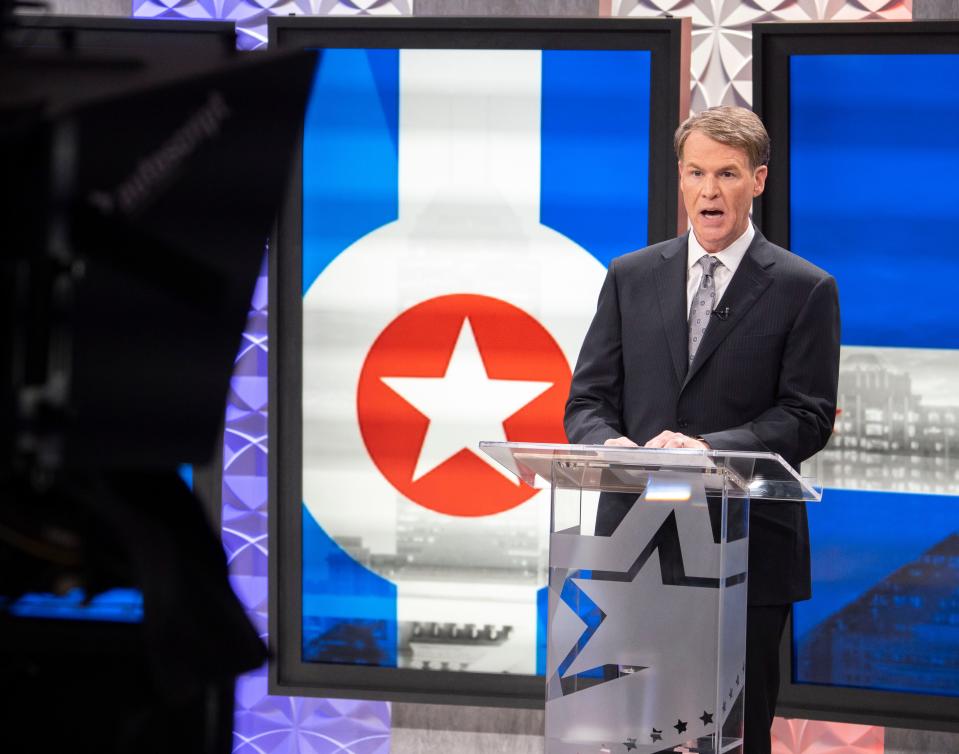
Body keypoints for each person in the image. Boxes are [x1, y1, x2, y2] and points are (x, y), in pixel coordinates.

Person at [564, 106, 840, 754]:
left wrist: (705, 451)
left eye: (726, 174)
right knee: (639, 734)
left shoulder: (804, 289)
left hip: (744, 553)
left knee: (733, 736)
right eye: (695, 173)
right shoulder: (630, 276)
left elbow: (805, 416)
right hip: (634, 545)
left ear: (758, 180)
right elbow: (587, 399)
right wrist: (611, 447)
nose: (709, 191)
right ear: (679, 179)